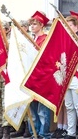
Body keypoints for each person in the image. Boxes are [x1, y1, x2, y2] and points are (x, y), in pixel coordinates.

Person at [28, 11, 51, 139]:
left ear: (41, 25)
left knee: (42, 108)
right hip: (31, 77)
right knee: (33, 107)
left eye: (35, 24)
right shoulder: (31, 39)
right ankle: (34, 132)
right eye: (31, 24)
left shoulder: (46, 38)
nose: (32, 26)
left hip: (42, 77)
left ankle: (44, 133)